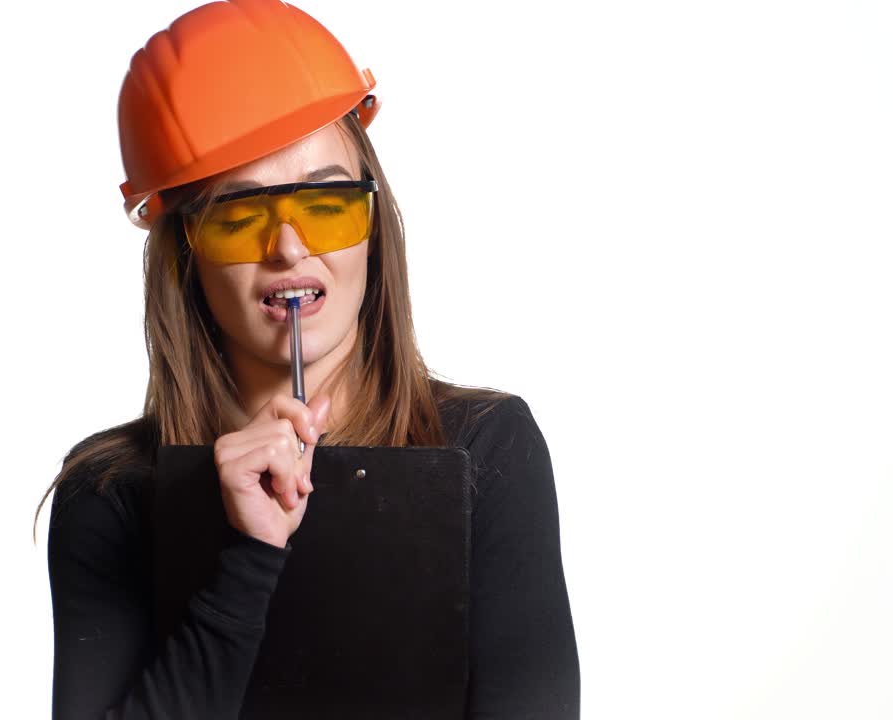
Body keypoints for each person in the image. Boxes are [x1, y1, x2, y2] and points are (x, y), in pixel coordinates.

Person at [34, 0, 580, 717]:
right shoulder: (110, 493)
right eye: (238, 213)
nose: (289, 248)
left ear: (373, 227)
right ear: (183, 254)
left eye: (327, 202)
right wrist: (248, 562)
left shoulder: (487, 448)